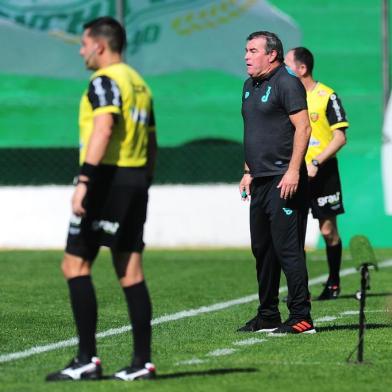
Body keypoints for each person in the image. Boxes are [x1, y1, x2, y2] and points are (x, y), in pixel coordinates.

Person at [46, 16, 158, 381]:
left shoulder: (105, 80)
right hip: (135, 178)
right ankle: (142, 363)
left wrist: (85, 180)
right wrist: (144, 180)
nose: (81, 50)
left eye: (83, 43)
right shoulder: (139, 83)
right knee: (130, 271)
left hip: (107, 179)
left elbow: (105, 125)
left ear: (99, 45)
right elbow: (152, 139)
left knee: (74, 265)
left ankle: (87, 359)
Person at [238, 31, 315, 334]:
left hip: (285, 179)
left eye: (253, 50)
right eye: (246, 50)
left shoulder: (287, 82)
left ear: (272, 55)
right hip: (259, 180)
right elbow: (254, 133)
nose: (246, 56)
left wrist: (294, 171)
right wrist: (247, 170)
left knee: (288, 250)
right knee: (263, 250)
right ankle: (267, 314)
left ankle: (301, 315)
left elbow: (304, 128)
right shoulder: (249, 86)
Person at [285, 47, 348, 300]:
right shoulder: (288, 96)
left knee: (327, 231)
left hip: (323, 172)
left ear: (301, 69)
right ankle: (300, 291)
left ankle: (333, 283)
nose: (284, 68)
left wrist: (318, 162)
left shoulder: (326, 95)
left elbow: (340, 137)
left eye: (287, 63)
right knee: (293, 233)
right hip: (296, 172)